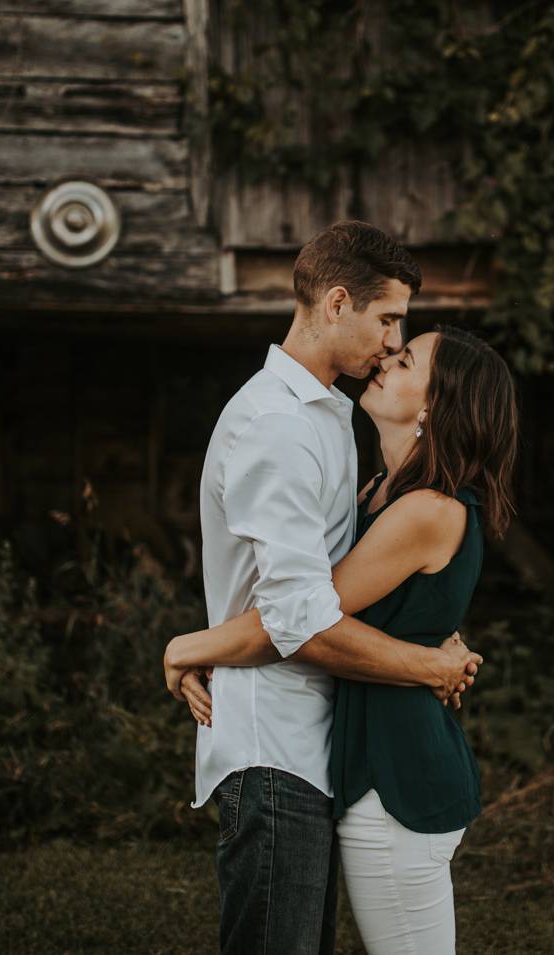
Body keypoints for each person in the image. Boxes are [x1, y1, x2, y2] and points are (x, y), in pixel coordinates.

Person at [163, 220, 485, 955]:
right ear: (338, 302)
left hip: (317, 749)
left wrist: (199, 641)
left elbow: (340, 588)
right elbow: (303, 623)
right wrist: (430, 664)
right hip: (273, 747)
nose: (393, 340)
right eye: (388, 319)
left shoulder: (327, 417)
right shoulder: (278, 426)